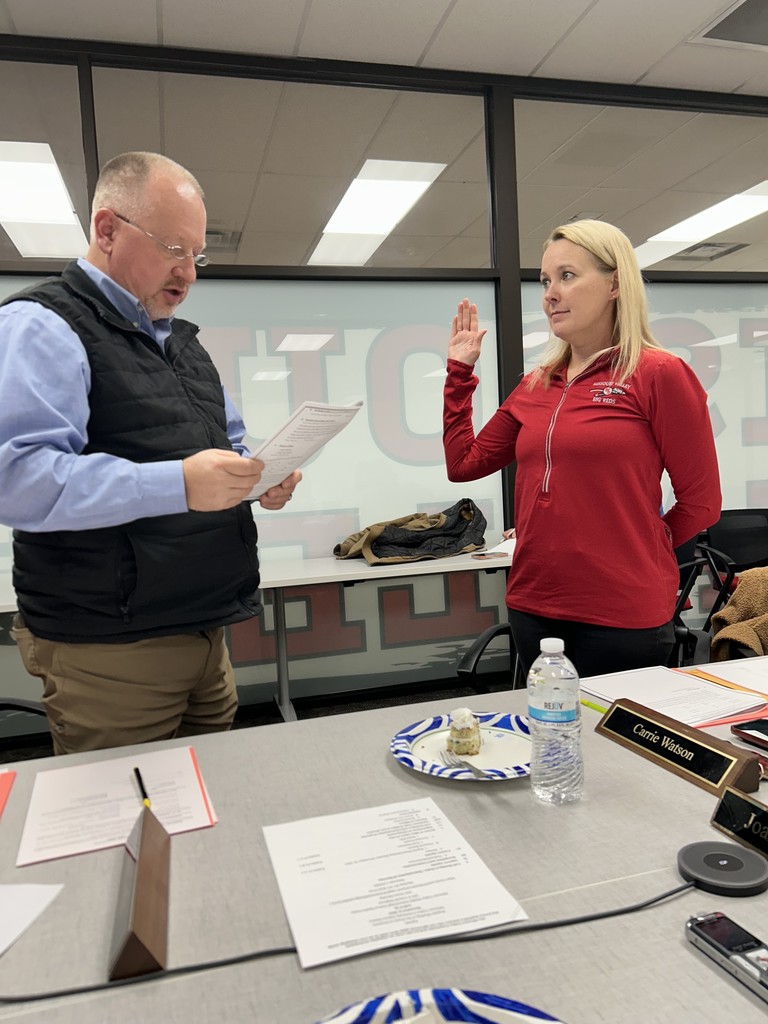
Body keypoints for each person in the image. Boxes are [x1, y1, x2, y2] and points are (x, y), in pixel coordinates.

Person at [0, 151, 301, 755]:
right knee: (125, 810)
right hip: (110, 646)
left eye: (197, 255)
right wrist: (179, 484)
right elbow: (18, 480)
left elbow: (224, 447)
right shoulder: (42, 325)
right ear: (107, 229)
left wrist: (254, 477)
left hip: (205, 625)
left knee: (212, 798)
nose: (188, 273)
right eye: (173, 249)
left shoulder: (182, 344)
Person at [443, 219, 721, 679]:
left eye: (567, 276)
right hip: (535, 604)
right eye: (544, 281)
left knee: (613, 728)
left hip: (622, 611)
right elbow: (463, 464)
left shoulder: (658, 373)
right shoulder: (536, 384)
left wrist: (641, 549)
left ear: (615, 284)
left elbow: (703, 502)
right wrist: (459, 374)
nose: (550, 294)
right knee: (546, 725)